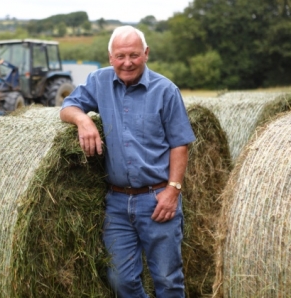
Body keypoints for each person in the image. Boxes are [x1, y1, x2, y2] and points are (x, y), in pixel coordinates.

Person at [59, 25, 196, 297]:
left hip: (158, 199)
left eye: (134, 55)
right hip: (117, 204)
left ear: (146, 54)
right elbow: (68, 106)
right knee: (121, 281)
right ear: (110, 57)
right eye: (120, 56)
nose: (127, 62)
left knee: (168, 280)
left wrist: (172, 191)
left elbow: (180, 144)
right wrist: (83, 120)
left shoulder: (166, 90)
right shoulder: (98, 82)